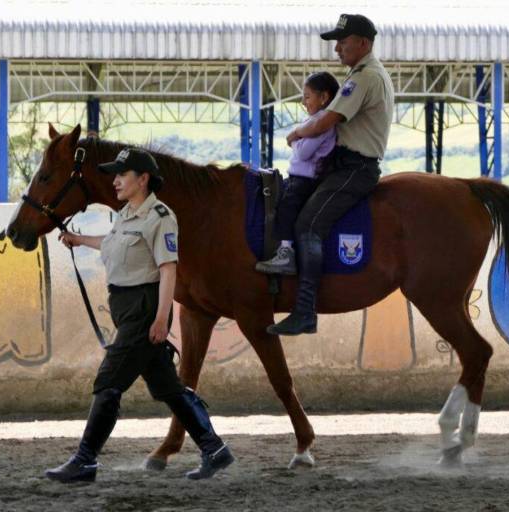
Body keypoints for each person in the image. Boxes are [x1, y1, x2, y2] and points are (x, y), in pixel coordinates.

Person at [45, 147, 234, 482]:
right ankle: (214, 449)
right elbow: (114, 243)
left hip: (144, 310)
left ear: (143, 179)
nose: (114, 180)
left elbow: (168, 270)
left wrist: (161, 319)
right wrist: (79, 239)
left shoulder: (160, 217)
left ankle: (85, 460)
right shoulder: (127, 214)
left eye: (122, 174)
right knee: (169, 389)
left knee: (109, 383)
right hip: (127, 308)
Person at [267, 14, 394, 336]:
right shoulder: (360, 74)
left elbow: (328, 120)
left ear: (363, 43)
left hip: (355, 168)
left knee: (309, 224)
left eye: (343, 41)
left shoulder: (364, 77)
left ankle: (305, 310)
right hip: (341, 165)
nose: (337, 48)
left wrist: (297, 133)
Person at [255, 71, 340, 275]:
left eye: (308, 97)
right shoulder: (314, 121)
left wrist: (295, 139)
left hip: (305, 180)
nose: (303, 102)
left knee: (287, 208)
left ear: (324, 97)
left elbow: (302, 152)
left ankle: (287, 252)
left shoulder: (322, 123)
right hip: (299, 177)